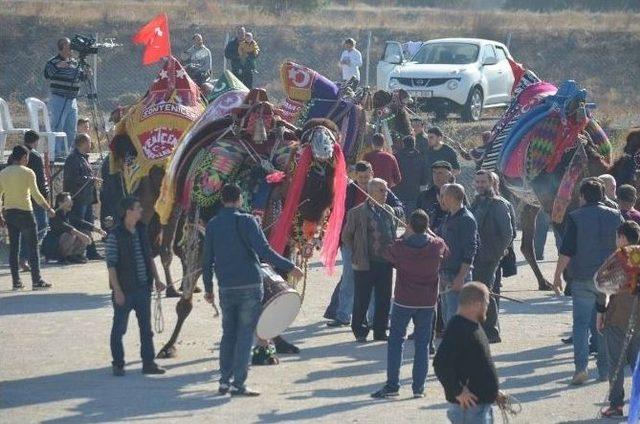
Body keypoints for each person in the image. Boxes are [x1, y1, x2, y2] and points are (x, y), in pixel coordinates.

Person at [202, 184, 303, 396]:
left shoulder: (213, 224)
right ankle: (239, 384)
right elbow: (265, 251)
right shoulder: (248, 221)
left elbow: (207, 260)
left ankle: (223, 381)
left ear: (222, 200)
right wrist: (290, 266)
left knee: (228, 334)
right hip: (250, 284)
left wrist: (208, 289)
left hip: (226, 286)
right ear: (239, 199)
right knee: (245, 336)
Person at [371, 210, 449, 399]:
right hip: (427, 301)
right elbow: (446, 251)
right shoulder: (436, 244)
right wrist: (430, 233)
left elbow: (387, 254)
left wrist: (404, 235)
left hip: (404, 300)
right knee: (423, 345)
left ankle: (392, 385)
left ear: (410, 226)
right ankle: (418, 388)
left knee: (396, 342)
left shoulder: (400, 246)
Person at [553, 178, 623, 385]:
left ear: (582, 196)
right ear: (603, 196)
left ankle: (580, 369)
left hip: (583, 277)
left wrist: (557, 275)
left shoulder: (575, 217)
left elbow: (567, 250)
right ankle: (604, 370)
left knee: (581, 325)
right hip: (609, 280)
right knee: (603, 324)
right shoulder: (616, 216)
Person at [325, 161, 403, 327]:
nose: (363, 181)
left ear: (372, 173)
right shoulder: (350, 190)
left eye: (366, 177)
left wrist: (390, 210)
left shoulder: (381, 189)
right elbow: (340, 215)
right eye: (360, 178)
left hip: (375, 245)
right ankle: (343, 315)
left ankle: (373, 318)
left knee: (374, 282)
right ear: (355, 176)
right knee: (349, 278)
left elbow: (399, 208)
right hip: (352, 243)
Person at [107, 196, 166, 376]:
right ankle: (118, 363)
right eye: (138, 207)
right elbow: (111, 265)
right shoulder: (115, 235)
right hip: (124, 290)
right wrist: (117, 290)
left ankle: (148, 363)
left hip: (143, 288)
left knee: (146, 329)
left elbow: (149, 258)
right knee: (119, 329)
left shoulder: (141, 230)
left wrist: (157, 279)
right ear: (128, 211)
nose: (141, 210)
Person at [434, 282, 504, 424]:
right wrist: (457, 391)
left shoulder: (473, 325)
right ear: (475, 303)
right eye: (486, 302)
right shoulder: (458, 328)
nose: (487, 307)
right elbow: (440, 364)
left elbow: (478, 364)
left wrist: (493, 391)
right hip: (469, 409)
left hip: (481, 406)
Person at [342, 178, 398, 342]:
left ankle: (380, 331)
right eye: (381, 190)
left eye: (386, 190)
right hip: (365, 263)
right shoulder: (357, 212)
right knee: (362, 298)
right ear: (371, 191)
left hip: (385, 263)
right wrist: (358, 251)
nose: (385, 193)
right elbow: (346, 236)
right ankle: (360, 330)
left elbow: (392, 234)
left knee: (383, 298)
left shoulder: (389, 211)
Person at [597, 221, 640, 418]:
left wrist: (600, 312)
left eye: (617, 237)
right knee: (637, 363)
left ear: (622, 238)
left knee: (615, 363)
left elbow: (600, 281)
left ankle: (616, 405)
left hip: (619, 317)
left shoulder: (621, 256)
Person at [0, 146, 56, 290]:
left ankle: (16, 282)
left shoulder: (3, 173)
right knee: (33, 248)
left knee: (14, 248)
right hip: (25, 212)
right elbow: (36, 195)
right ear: (24, 157)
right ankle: (36, 281)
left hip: (9, 212)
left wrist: (0, 213)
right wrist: (48, 208)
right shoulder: (28, 172)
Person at [470, 170, 514, 343]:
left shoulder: (498, 204)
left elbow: (508, 233)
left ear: (491, 183)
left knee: (486, 293)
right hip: (476, 256)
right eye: (478, 182)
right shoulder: (476, 202)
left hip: (489, 257)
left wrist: (497, 253)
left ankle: (492, 332)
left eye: (483, 182)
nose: (480, 185)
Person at [439, 183, 478, 325]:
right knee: (446, 315)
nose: (441, 199)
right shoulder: (449, 216)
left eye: (444, 196)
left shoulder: (466, 219)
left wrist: (461, 277)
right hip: (445, 273)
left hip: (457, 274)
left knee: (455, 317)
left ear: (451, 198)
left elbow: (470, 249)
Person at [63, 133, 103, 260]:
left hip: (87, 199)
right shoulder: (72, 159)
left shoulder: (83, 158)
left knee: (88, 225)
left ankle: (91, 251)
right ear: (83, 143)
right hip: (78, 199)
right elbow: (72, 179)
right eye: (89, 142)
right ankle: (75, 253)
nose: (91, 145)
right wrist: (90, 179)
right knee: (79, 226)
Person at [44, 38, 85, 159]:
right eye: (68, 46)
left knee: (71, 128)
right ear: (62, 48)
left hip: (72, 100)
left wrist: (86, 73)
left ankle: (68, 153)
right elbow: (47, 74)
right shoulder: (53, 62)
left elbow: (80, 77)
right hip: (59, 99)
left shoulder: (74, 62)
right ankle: (57, 153)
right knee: (58, 126)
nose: (71, 49)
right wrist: (58, 66)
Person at [42, 192, 106, 264]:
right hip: (52, 248)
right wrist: (82, 236)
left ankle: (75, 255)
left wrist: (99, 231)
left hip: (63, 243)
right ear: (60, 203)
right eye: (68, 201)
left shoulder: (69, 213)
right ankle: (63, 257)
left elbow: (81, 222)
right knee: (70, 235)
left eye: (71, 201)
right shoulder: (54, 215)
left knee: (86, 232)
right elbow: (66, 227)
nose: (71, 203)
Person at [19, 130, 50, 272]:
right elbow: (40, 179)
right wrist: (45, 197)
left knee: (25, 229)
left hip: (21, 198)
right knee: (42, 226)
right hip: (35, 198)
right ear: (35, 141)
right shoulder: (36, 157)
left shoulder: (16, 155)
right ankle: (27, 255)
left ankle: (24, 257)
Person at [392, 135, 428, 218]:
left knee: (397, 217)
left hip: (398, 191)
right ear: (414, 144)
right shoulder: (420, 157)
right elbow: (425, 175)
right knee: (412, 219)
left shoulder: (397, 156)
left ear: (403, 144)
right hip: (414, 192)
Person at [416, 161, 456, 232]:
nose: (436, 176)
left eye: (440, 173)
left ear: (449, 175)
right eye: (434, 172)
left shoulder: (457, 194)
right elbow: (416, 217)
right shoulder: (424, 196)